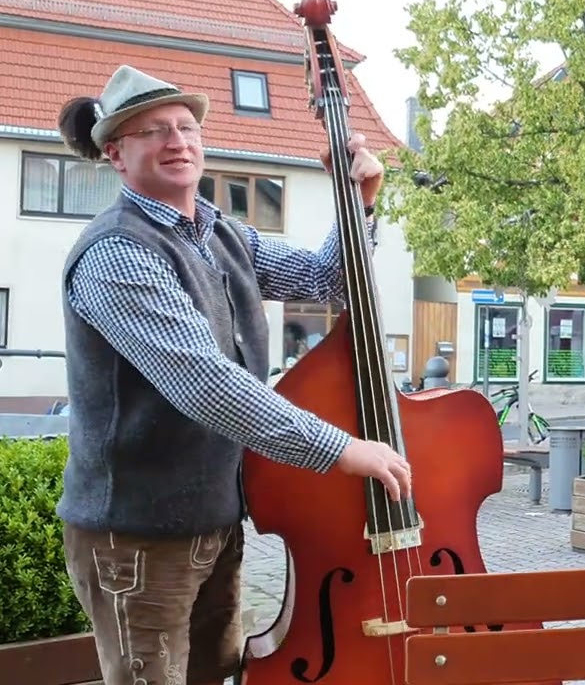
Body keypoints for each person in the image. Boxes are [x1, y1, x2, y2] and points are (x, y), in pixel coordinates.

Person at [53, 65, 412, 685]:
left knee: (212, 673)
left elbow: (325, 280)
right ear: (115, 153)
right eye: (153, 131)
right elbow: (208, 386)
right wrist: (343, 448)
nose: (177, 141)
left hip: (214, 520)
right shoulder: (117, 252)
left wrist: (360, 201)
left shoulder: (223, 235)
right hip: (135, 538)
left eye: (186, 126)